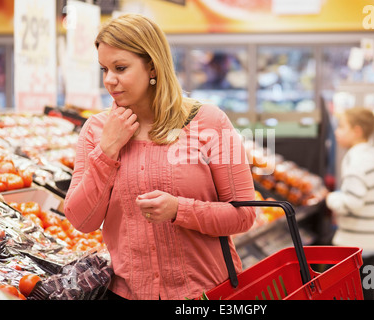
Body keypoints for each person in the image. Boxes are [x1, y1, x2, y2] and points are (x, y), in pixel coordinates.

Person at [64, 13, 256, 300]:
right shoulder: (96, 130)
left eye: (120, 68)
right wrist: (107, 152)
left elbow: (244, 214)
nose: (110, 81)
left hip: (204, 294)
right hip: (127, 294)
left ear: (152, 67)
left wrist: (180, 210)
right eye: (104, 69)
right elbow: (81, 220)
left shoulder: (210, 122)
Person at [326, 107, 374, 300]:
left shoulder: (356, 160)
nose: (337, 132)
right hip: (373, 244)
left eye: (341, 127)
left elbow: (352, 202)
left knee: (339, 294)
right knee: (366, 291)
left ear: (357, 131)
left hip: (349, 248)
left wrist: (330, 198)